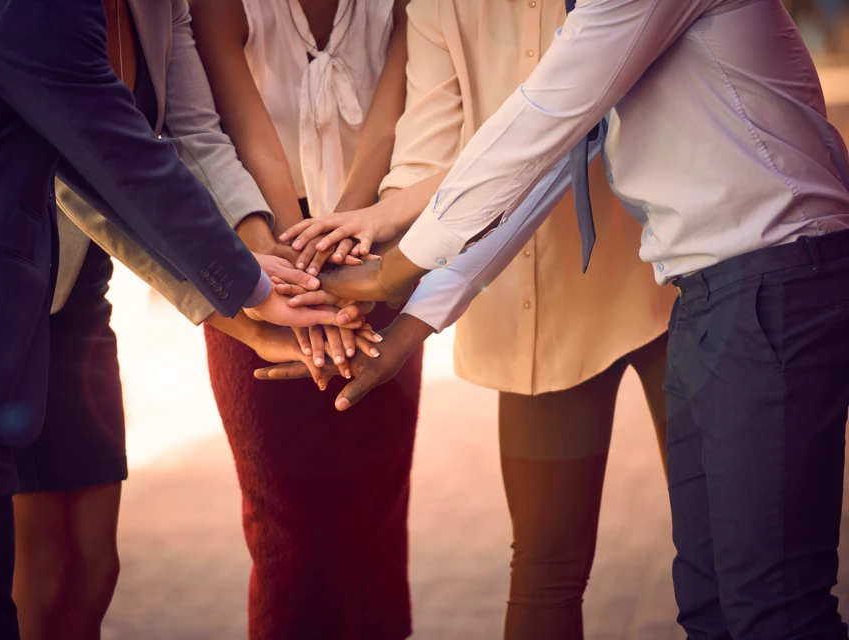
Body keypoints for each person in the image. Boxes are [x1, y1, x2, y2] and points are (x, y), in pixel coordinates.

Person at [260, 1, 849, 638]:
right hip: (711, 294)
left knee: (776, 610)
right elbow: (550, 166)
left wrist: (389, 270)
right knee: (710, 607)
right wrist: (406, 327)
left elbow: (539, 126)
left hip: (771, 281)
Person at [0, 0, 354, 636]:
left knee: (73, 575)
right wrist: (250, 295)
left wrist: (258, 264)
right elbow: (116, 159)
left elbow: (176, 141)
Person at [280, 2, 672, 636]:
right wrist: (359, 252)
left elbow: (559, 132)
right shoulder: (439, 5)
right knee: (545, 571)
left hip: (666, 275)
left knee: (730, 553)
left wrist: (390, 271)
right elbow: (427, 163)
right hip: (530, 301)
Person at [186, 1, 420, 637]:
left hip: (373, 251)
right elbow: (247, 137)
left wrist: (341, 242)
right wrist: (296, 268)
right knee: (286, 524)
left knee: (377, 512)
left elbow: (386, 125)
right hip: (255, 251)